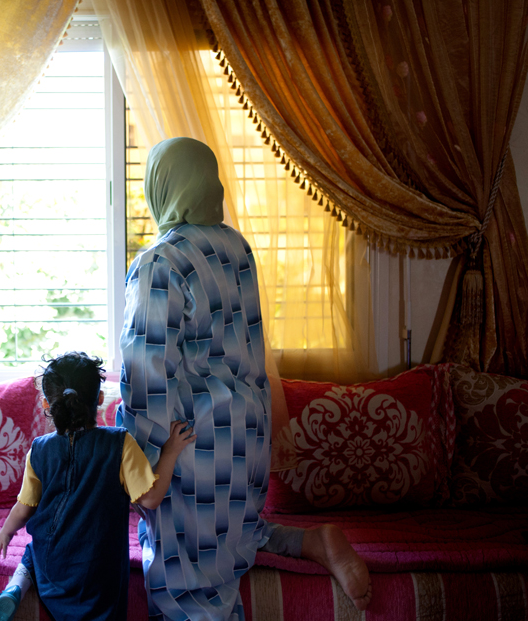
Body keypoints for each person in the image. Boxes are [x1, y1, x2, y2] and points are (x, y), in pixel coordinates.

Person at [119, 137, 372, 620]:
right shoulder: (235, 248)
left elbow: (146, 372)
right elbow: (254, 349)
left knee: (189, 589)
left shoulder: (159, 262)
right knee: (235, 536)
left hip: (192, 447)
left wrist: (143, 465)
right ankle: (310, 540)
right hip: (246, 439)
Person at [0, 351, 197, 621]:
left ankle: (15, 586)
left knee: (33, 549)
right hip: (100, 571)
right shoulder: (119, 443)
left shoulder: (38, 450)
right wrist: (169, 452)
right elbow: (151, 499)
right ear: (98, 398)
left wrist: (5, 533)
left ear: (46, 404)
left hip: (54, 567)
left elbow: (24, 508)